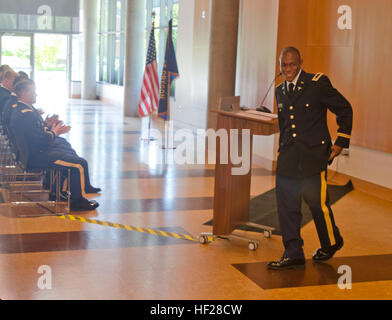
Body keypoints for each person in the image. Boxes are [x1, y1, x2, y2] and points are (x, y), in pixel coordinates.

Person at [267, 47, 353, 270]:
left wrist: (340, 142)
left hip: (313, 156)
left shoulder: (317, 83)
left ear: (300, 63)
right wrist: (281, 151)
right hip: (288, 157)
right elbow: (286, 126)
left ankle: (331, 242)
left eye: (292, 64)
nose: (288, 69)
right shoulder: (280, 91)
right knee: (287, 205)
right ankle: (293, 252)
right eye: (283, 65)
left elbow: (345, 109)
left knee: (317, 204)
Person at [9, 80, 100, 211]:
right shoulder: (25, 114)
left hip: (34, 152)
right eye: (33, 92)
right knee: (79, 164)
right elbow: (39, 140)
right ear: (23, 93)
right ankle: (77, 202)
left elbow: (35, 133)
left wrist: (49, 127)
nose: (36, 94)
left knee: (68, 154)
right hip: (35, 156)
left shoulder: (24, 110)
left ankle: (55, 191)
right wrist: (54, 132)